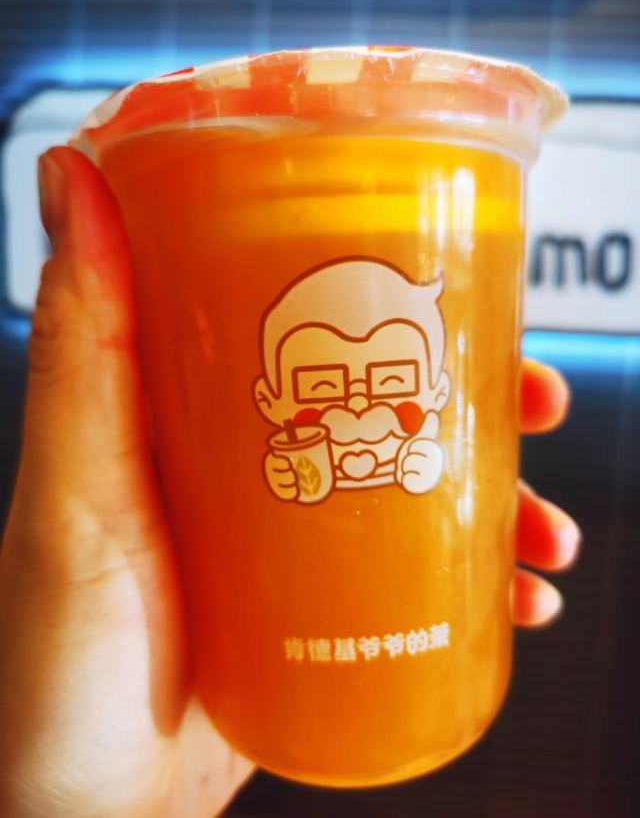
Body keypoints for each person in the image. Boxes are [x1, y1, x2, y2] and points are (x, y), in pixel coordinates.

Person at [0, 147, 581, 818]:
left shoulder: (413, 437)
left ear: (436, 389)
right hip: (236, 699)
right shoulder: (299, 449)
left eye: (391, 379)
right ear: (273, 400)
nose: (356, 403)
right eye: (321, 385)